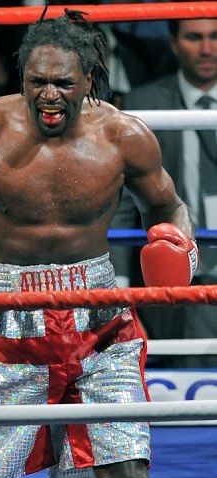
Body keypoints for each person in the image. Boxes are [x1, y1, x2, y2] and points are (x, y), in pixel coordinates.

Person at [0, 9, 198, 478]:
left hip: (97, 314)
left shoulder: (125, 136)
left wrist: (177, 248)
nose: (48, 95)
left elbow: (168, 207)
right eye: (37, 82)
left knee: (125, 461)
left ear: (89, 81)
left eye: (62, 83)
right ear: (22, 78)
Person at [110, 17, 217, 366]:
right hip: (167, 274)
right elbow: (124, 198)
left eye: (215, 37)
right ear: (173, 43)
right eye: (194, 37)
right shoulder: (145, 103)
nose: (206, 48)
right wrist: (119, 286)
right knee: (173, 388)